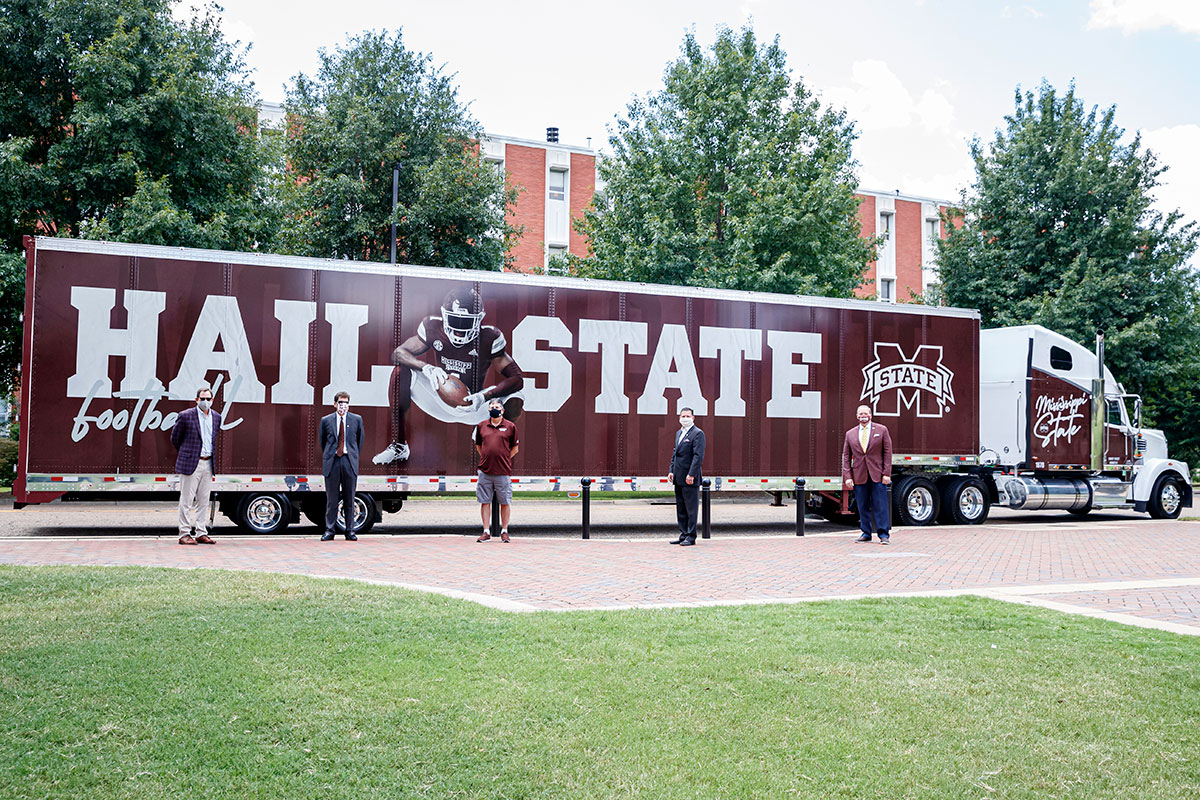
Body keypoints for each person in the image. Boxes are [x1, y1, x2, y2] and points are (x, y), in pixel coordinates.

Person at [372, 286, 524, 465]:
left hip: (473, 406)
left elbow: (517, 379)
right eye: (454, 319)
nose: (459, 329)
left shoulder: (489, 337)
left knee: (517, 397)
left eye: (466, 322)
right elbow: (398, 353)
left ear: (478, 320)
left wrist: (484, 397)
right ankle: (399, 445)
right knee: (400, 372)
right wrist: (426, 367)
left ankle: (487, 433)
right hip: (438, 400)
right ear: (444, 316)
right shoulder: (432, 327)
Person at [171, 385, 222, 545]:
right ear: (196, 399)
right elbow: (175, 438)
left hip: (208, 463)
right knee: (186, 500)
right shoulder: (186, 416)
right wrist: (188, 453)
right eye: (202, 399)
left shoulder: (216, 417)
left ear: (212, 400)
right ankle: (184, 534)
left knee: (203, 500)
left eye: (208, 399)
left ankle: (201, 532)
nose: (205, 401)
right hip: (191, 462)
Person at [842, 404, 893, 544]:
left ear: (870, 415)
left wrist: (886, 473)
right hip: (859, 475)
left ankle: (883, 535)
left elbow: (887, 453)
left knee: (880, 506)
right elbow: (846, 457)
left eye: (865, 413)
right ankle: (866, 533)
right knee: (862, 506)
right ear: (857, 416)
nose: (863, 416)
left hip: (878, 475)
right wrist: (848, 477)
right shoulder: (850, 434)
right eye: (860, 414)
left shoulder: (882, 430)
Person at [472, 398, 519, 542]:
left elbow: (515, 448)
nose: (494, 409)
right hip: (485, 471)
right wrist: (487, 457)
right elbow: (479, 446)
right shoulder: (481, 426)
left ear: (502, 410)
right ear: (488, 410)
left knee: (505, 502)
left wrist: (503, 458)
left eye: (497, 407)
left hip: (503, 472)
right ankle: (486, 532)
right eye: (492, 407)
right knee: (484, 501)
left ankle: (504, 531)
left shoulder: (510, 427)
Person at [319, 391, 364, 541]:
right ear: (335, 404)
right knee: (332, 500)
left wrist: (352, 456)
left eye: (346, 402)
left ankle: (350, 531)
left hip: (349, 462)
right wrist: (330, 455)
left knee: (349, 499)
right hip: (332, 463)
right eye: (340, 402)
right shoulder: (326, 420)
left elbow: (359, 441)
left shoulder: (356, 419)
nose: (343, 405)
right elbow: (323, 442)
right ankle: (329, 530)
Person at [667, 407, 705, 547]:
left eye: (688, 416)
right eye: (683, 416)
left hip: (689, 477)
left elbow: (698, 456)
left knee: (691, 509)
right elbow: (675, 453)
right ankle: (683, 534)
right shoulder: (679, 433)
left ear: (693, 418)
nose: (685, 418)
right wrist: (671, 470)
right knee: (681, 508)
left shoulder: (697, 433)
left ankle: (691, 536)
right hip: (678, 476)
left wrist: (691, 474)